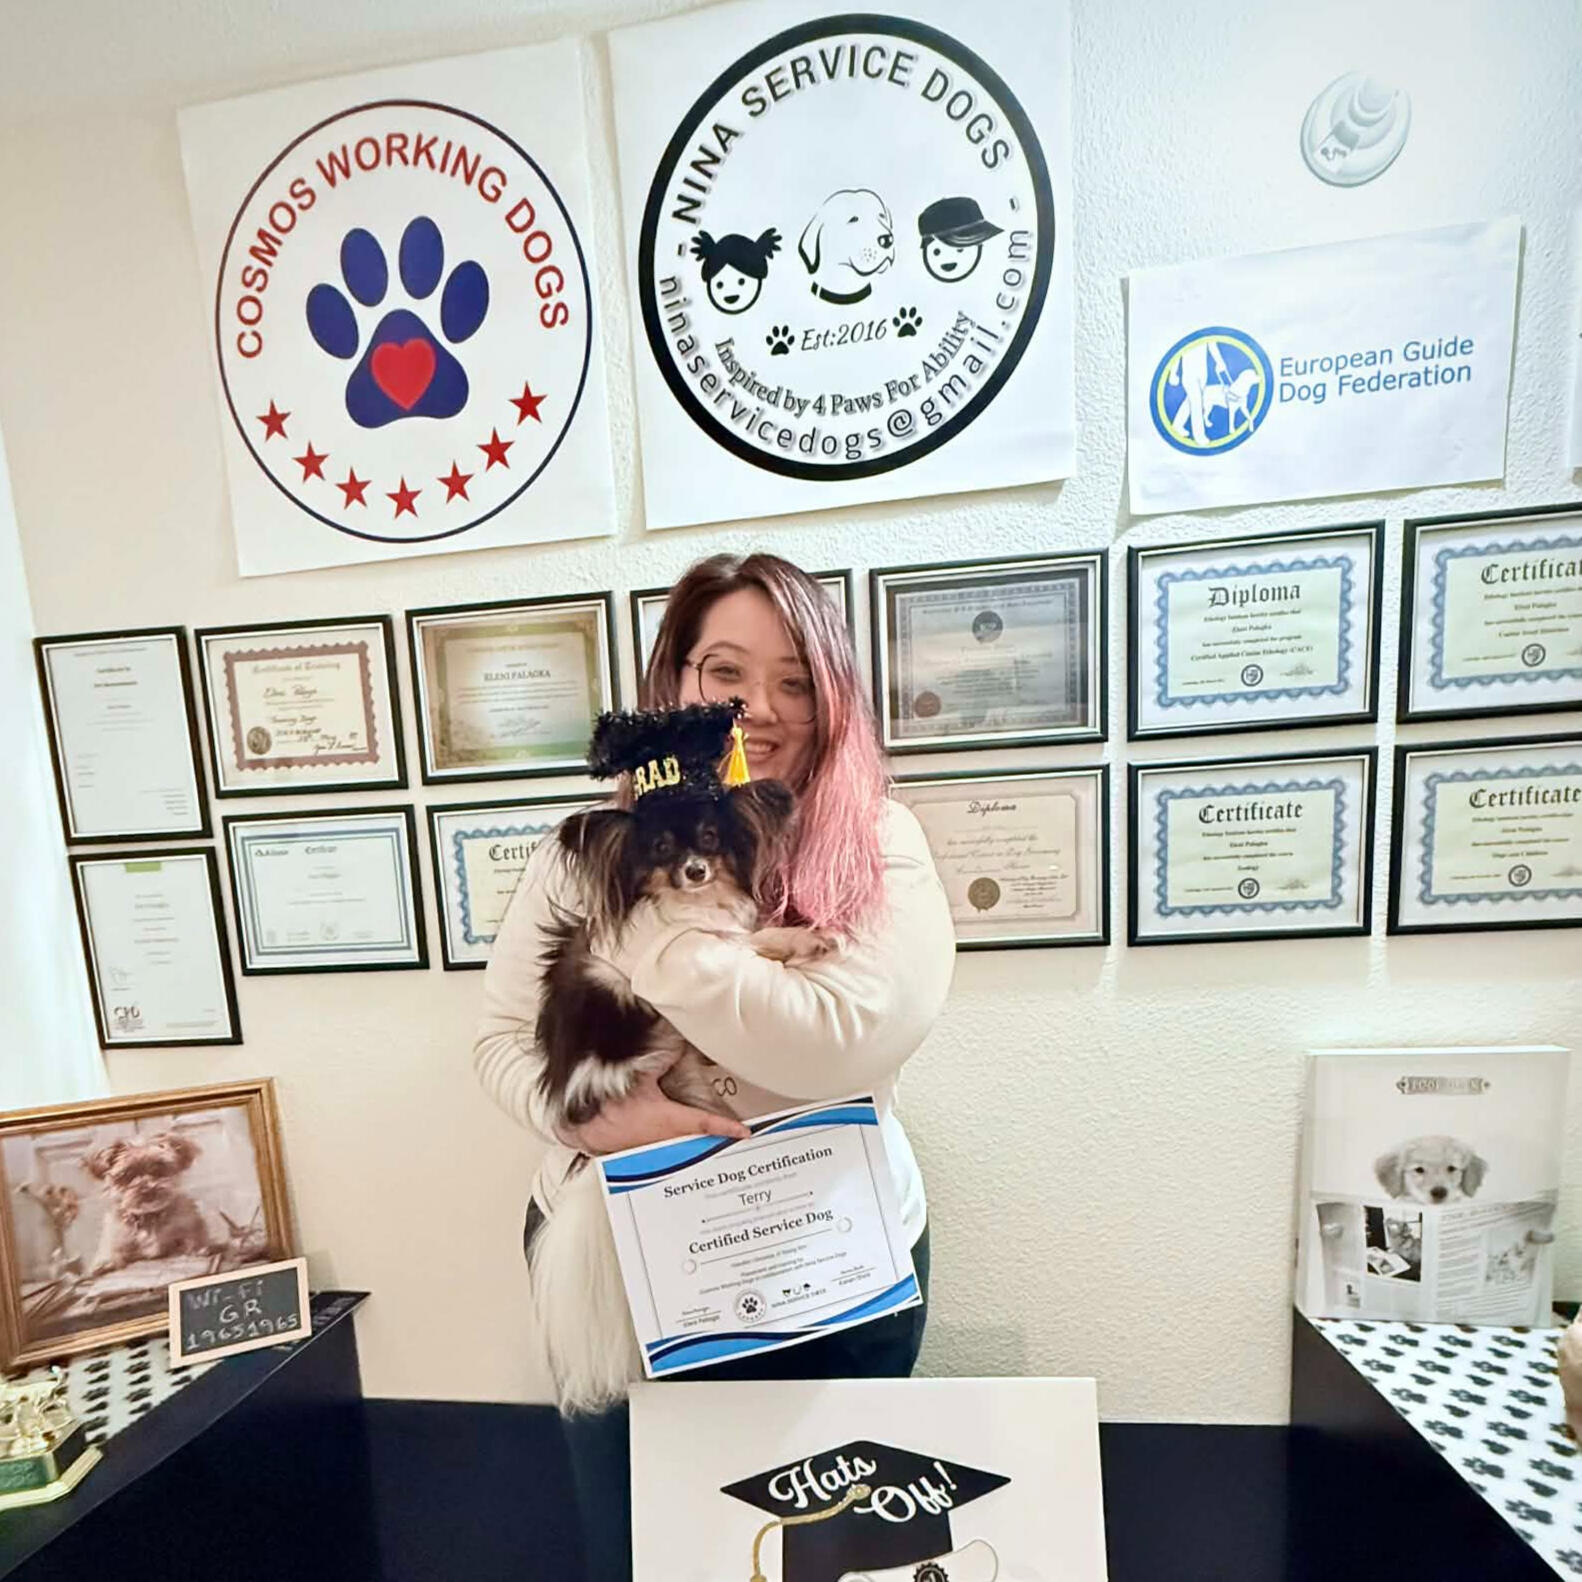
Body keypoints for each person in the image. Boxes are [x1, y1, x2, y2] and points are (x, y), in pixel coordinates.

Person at [472, 552, 955, 1582]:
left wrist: (654, 938)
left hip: (827, 1261)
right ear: (678, 682)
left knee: (829, 1563)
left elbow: (844, 1038)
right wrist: (579, 1117)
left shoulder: (875, 841)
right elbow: (501, 1039)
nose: (760, 708)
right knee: (649, 1554)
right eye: (726, 674)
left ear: (832, 695)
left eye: (794, 680)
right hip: (627, 1265)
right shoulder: (587, 846)